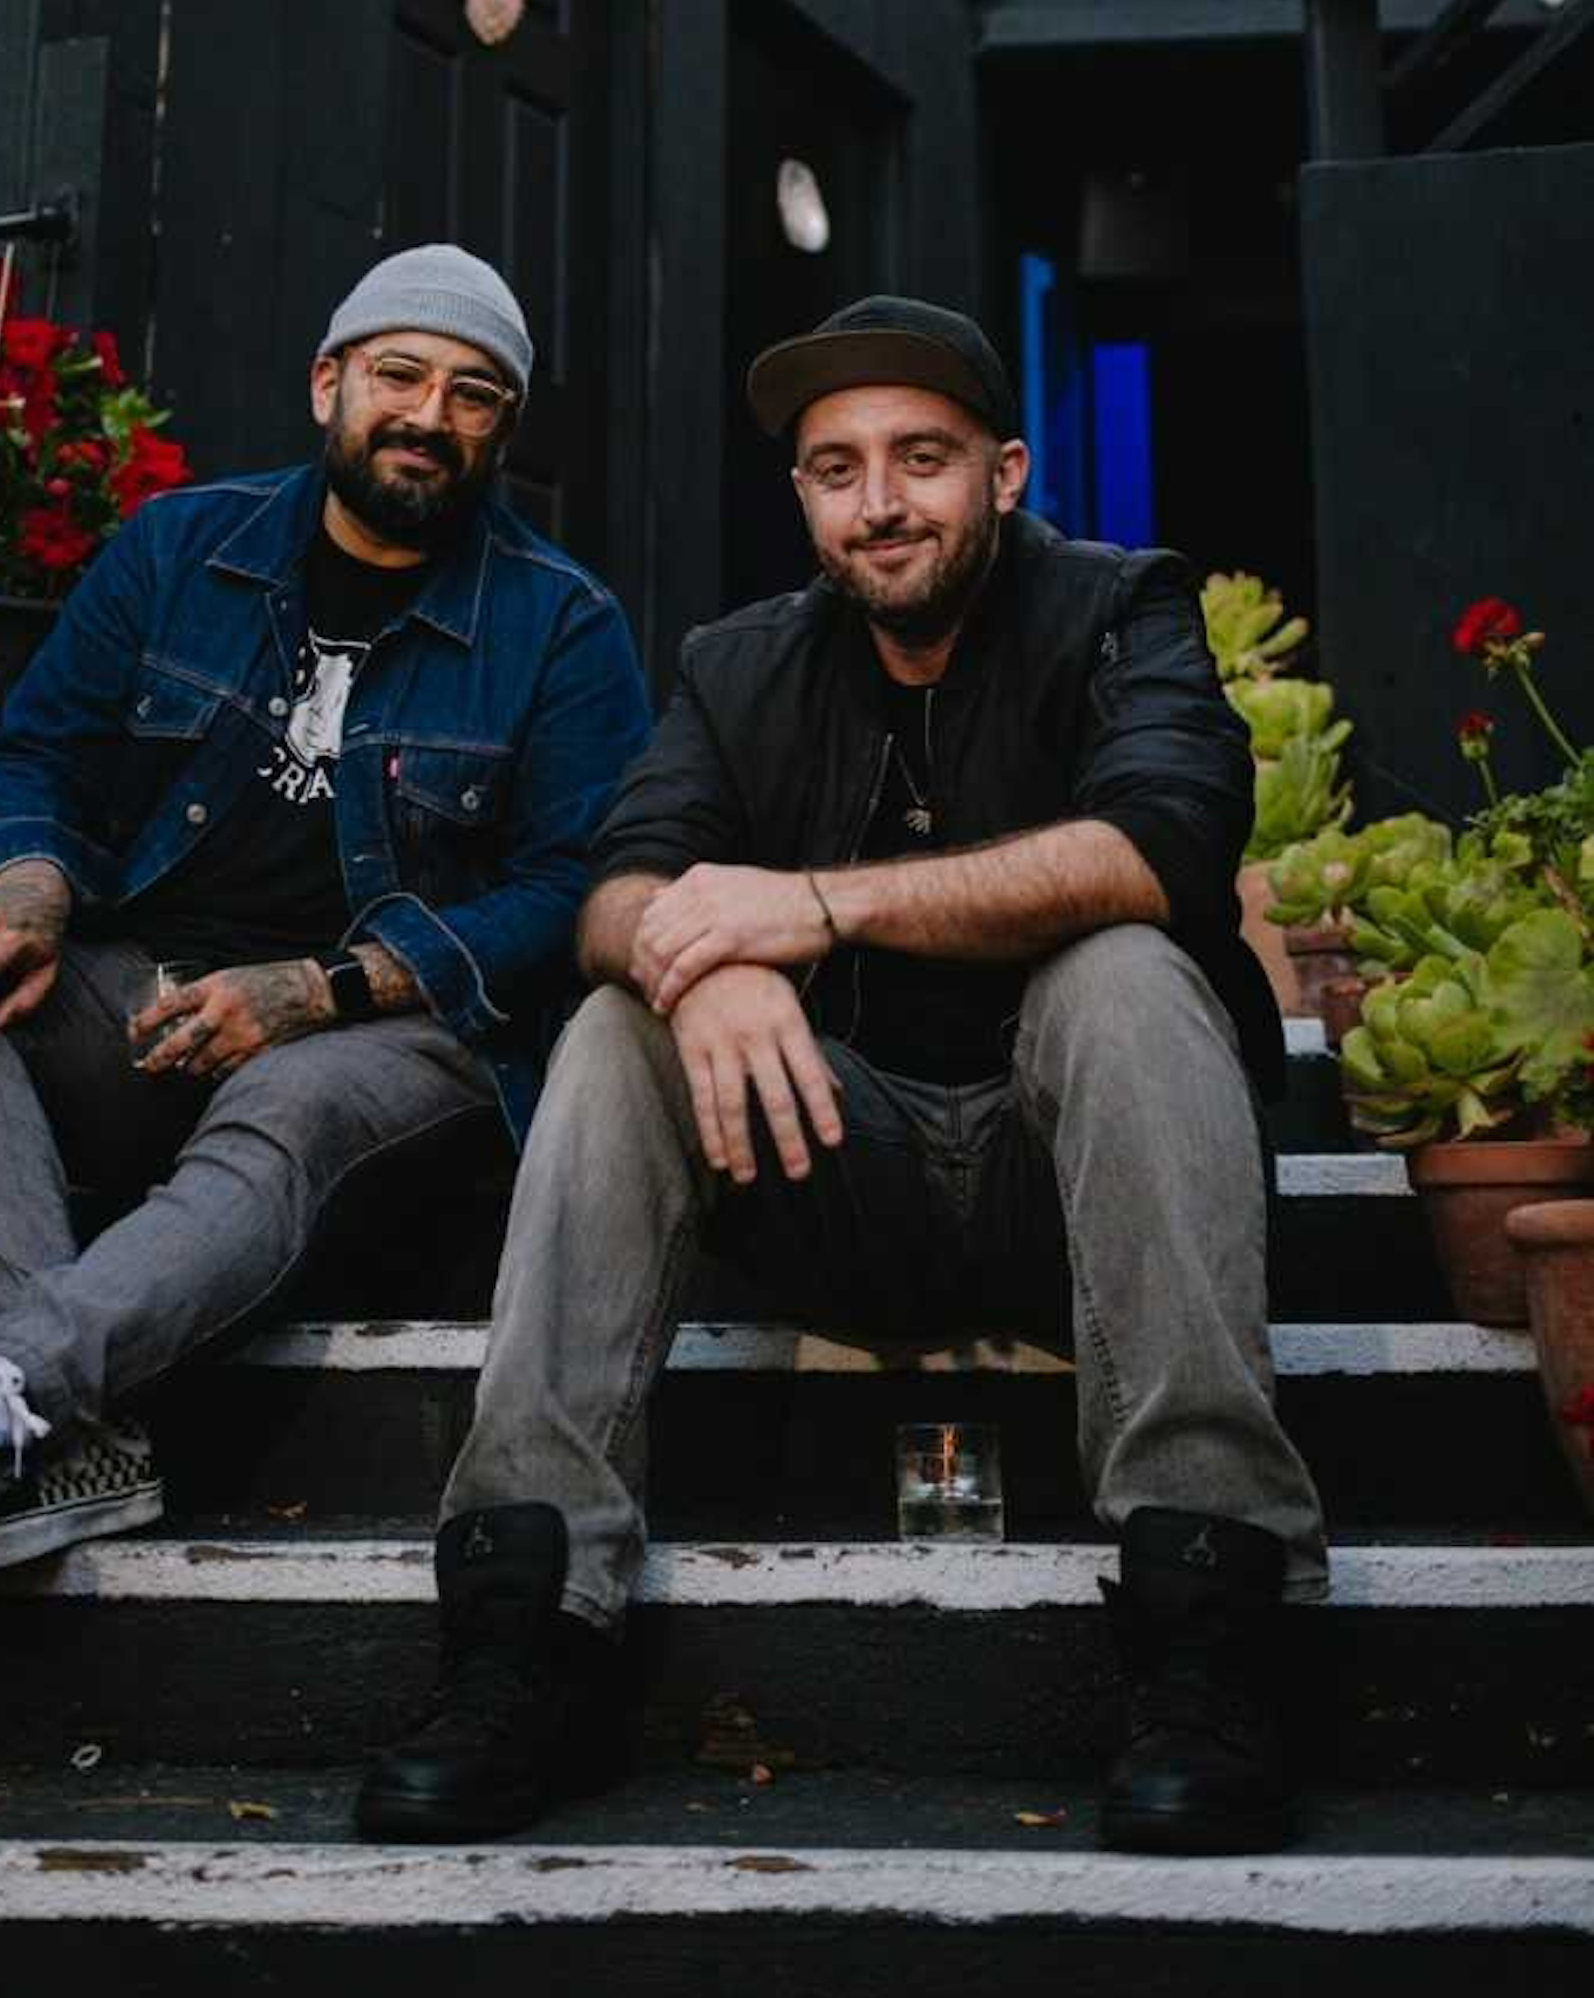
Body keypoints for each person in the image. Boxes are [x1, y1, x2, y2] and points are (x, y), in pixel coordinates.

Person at [356, 296, 1328, 1856]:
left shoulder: (1121, 607)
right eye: (835, 468)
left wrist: (807, 905)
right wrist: (701, 954)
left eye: (921, 459)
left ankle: (1212, 1612)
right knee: (620, 1018)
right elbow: (613, 889)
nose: (878, 502)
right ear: (803, 497)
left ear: (1004, 472)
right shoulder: (739, 666)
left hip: (1072, 1196)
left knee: (1125, 969)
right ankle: (529, 1619)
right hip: (835, 1170)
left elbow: (1161, 844)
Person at [0, 245, 650, 1580]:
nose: (430, 415)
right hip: (153, 998)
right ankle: (64, 1435)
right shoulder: (175, 548)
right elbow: (38, 753)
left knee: (295, 1099)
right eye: (399, 374)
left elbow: (572, 892)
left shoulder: (561, 625)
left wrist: (319, 990)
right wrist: (30, 881)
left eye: (475, 394)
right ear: (330, 381)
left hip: (394, 1034)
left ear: (503, 429)